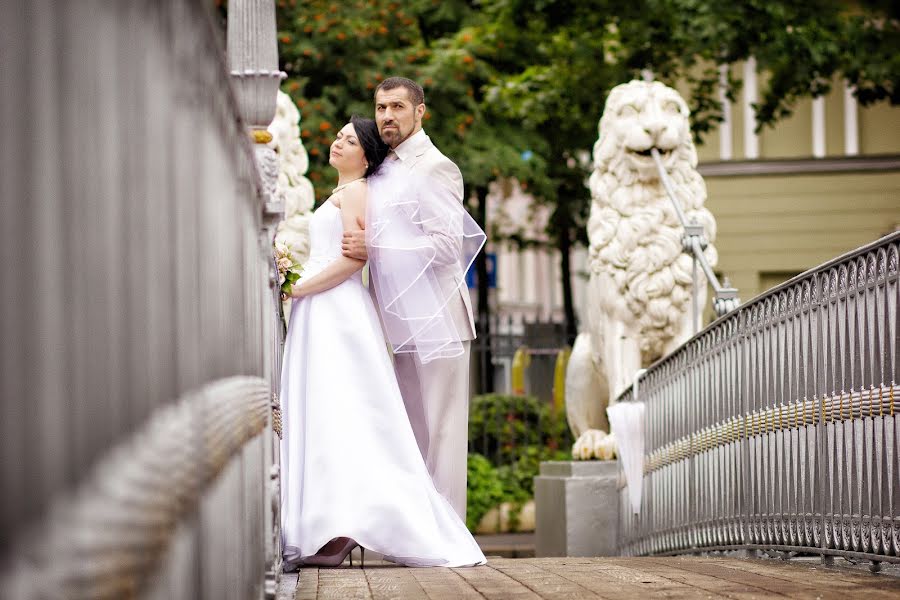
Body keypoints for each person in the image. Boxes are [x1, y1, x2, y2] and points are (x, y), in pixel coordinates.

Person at [279, 115, 485, 570]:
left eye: (348, 139)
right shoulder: (339, 193)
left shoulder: (358, 193)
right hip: (322, 311)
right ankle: (332, 528)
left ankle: (355, 528)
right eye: (336, 135)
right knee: (329, 418)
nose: (336, 142)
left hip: (338, 311)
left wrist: (296, 289)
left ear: (366, 155)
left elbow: (353, 261)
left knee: (352, 414)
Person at [341, 77, 479, 520]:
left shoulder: (436, 166)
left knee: (442, 435)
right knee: (412, 435)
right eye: (381, 107)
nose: (386, 116)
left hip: (441, 321)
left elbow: (446, 247)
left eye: (397, 107)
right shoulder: (380, 167)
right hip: (399, 324)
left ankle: (451, 534)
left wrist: (374, 249)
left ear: (420, 111)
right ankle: (421, 532)